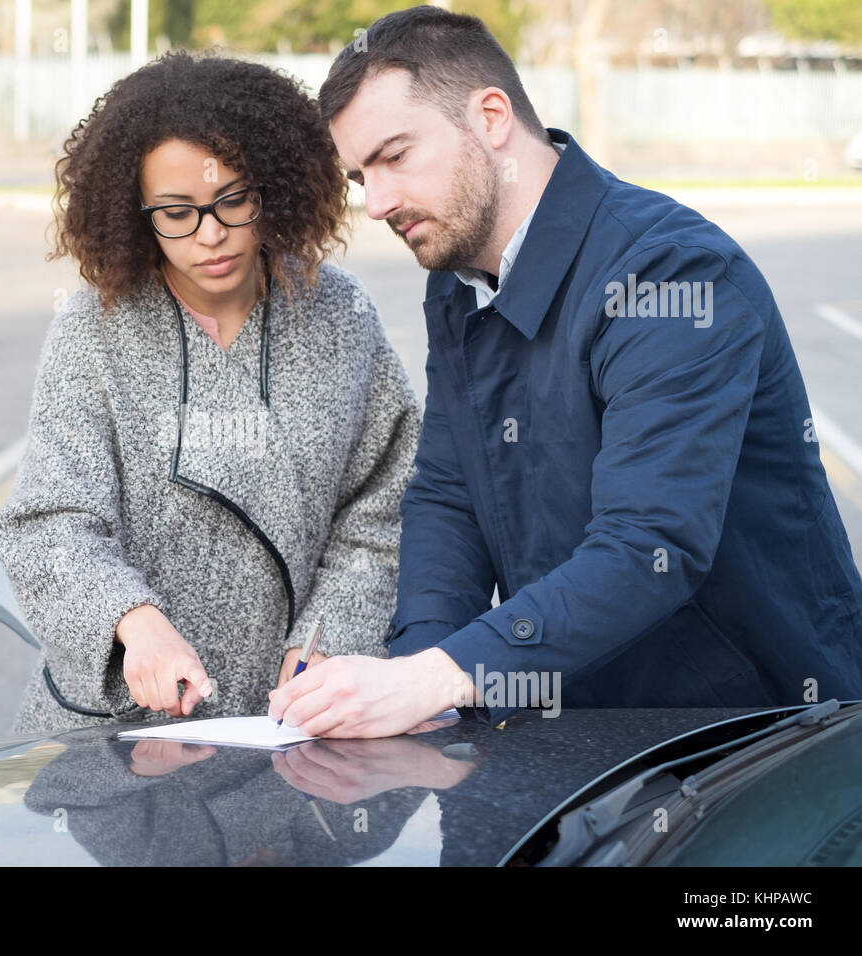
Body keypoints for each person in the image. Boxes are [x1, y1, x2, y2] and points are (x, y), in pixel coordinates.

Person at [270, 5, 862, 736]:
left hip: (757, 742)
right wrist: (416, 675)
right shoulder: (456, 280)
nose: (377, 201)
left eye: (394, 156)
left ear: (491, 117)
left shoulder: (672, 274)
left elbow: (650, 544)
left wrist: (441, 676)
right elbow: (450, 496)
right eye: (361, 175)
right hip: (580, 736)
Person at [0, 50, 421, 734]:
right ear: (134, 215)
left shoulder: (340, 315)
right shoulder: (92, 330)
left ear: (273, 187)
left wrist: (326, 640)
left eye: (232, 200)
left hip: (293, 723)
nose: (211, 235)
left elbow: (383, 513)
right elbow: (49, 526)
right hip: (117, 730)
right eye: (177, 213)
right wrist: (133, 623)